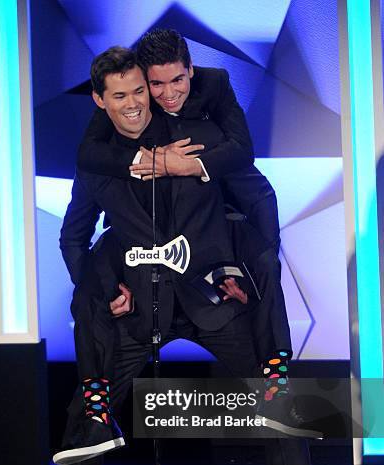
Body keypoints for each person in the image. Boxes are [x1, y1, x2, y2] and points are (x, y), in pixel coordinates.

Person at [49, 46, 356, 465]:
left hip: (211, 302)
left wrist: (250, 267)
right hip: (138, 311)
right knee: (87, 410)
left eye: (141, 91)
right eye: (121, 95)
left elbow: (256, 199)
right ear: (102, 101)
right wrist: (104, 287)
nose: (138, 103)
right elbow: (74, 236)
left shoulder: (204, 143)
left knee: (278, 401)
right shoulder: (101, 159)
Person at [77, 29, 299, 436]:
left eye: (177, 80)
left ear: (191, 71)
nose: (165, 94)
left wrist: (187, 166)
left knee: (266, 262)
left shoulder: (214, 91)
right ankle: (94, 405)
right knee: (91, 281)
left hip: (220, 217)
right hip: (144, 263)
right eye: (154, 85)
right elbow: (88, 154)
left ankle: (277, 372)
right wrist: (153, 159)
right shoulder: (123, 101)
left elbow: (244, 157)